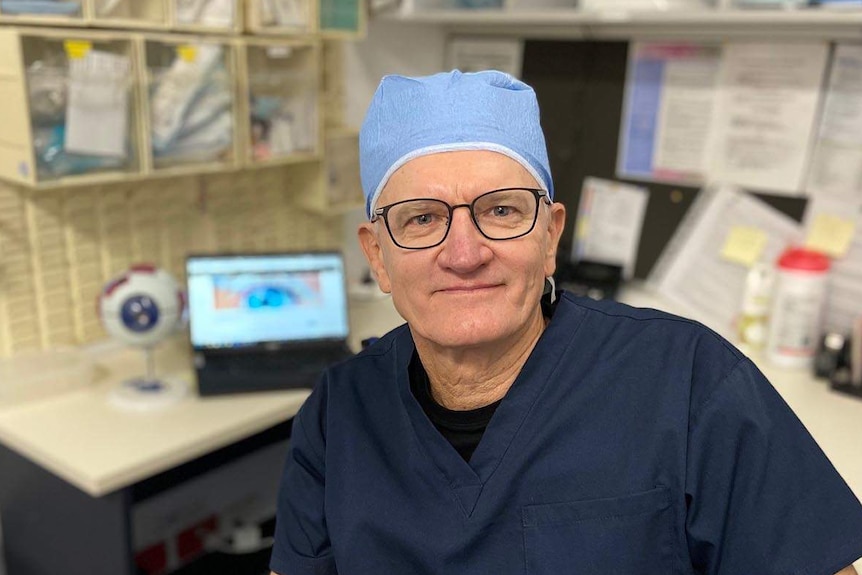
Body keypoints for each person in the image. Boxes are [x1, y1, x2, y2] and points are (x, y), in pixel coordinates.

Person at [269, 70, 862, 575]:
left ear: (550, 236)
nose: (464, 253)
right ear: (377, 256)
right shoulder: (339, 413)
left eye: (501, 211)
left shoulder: (690, 385)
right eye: (421, 219)